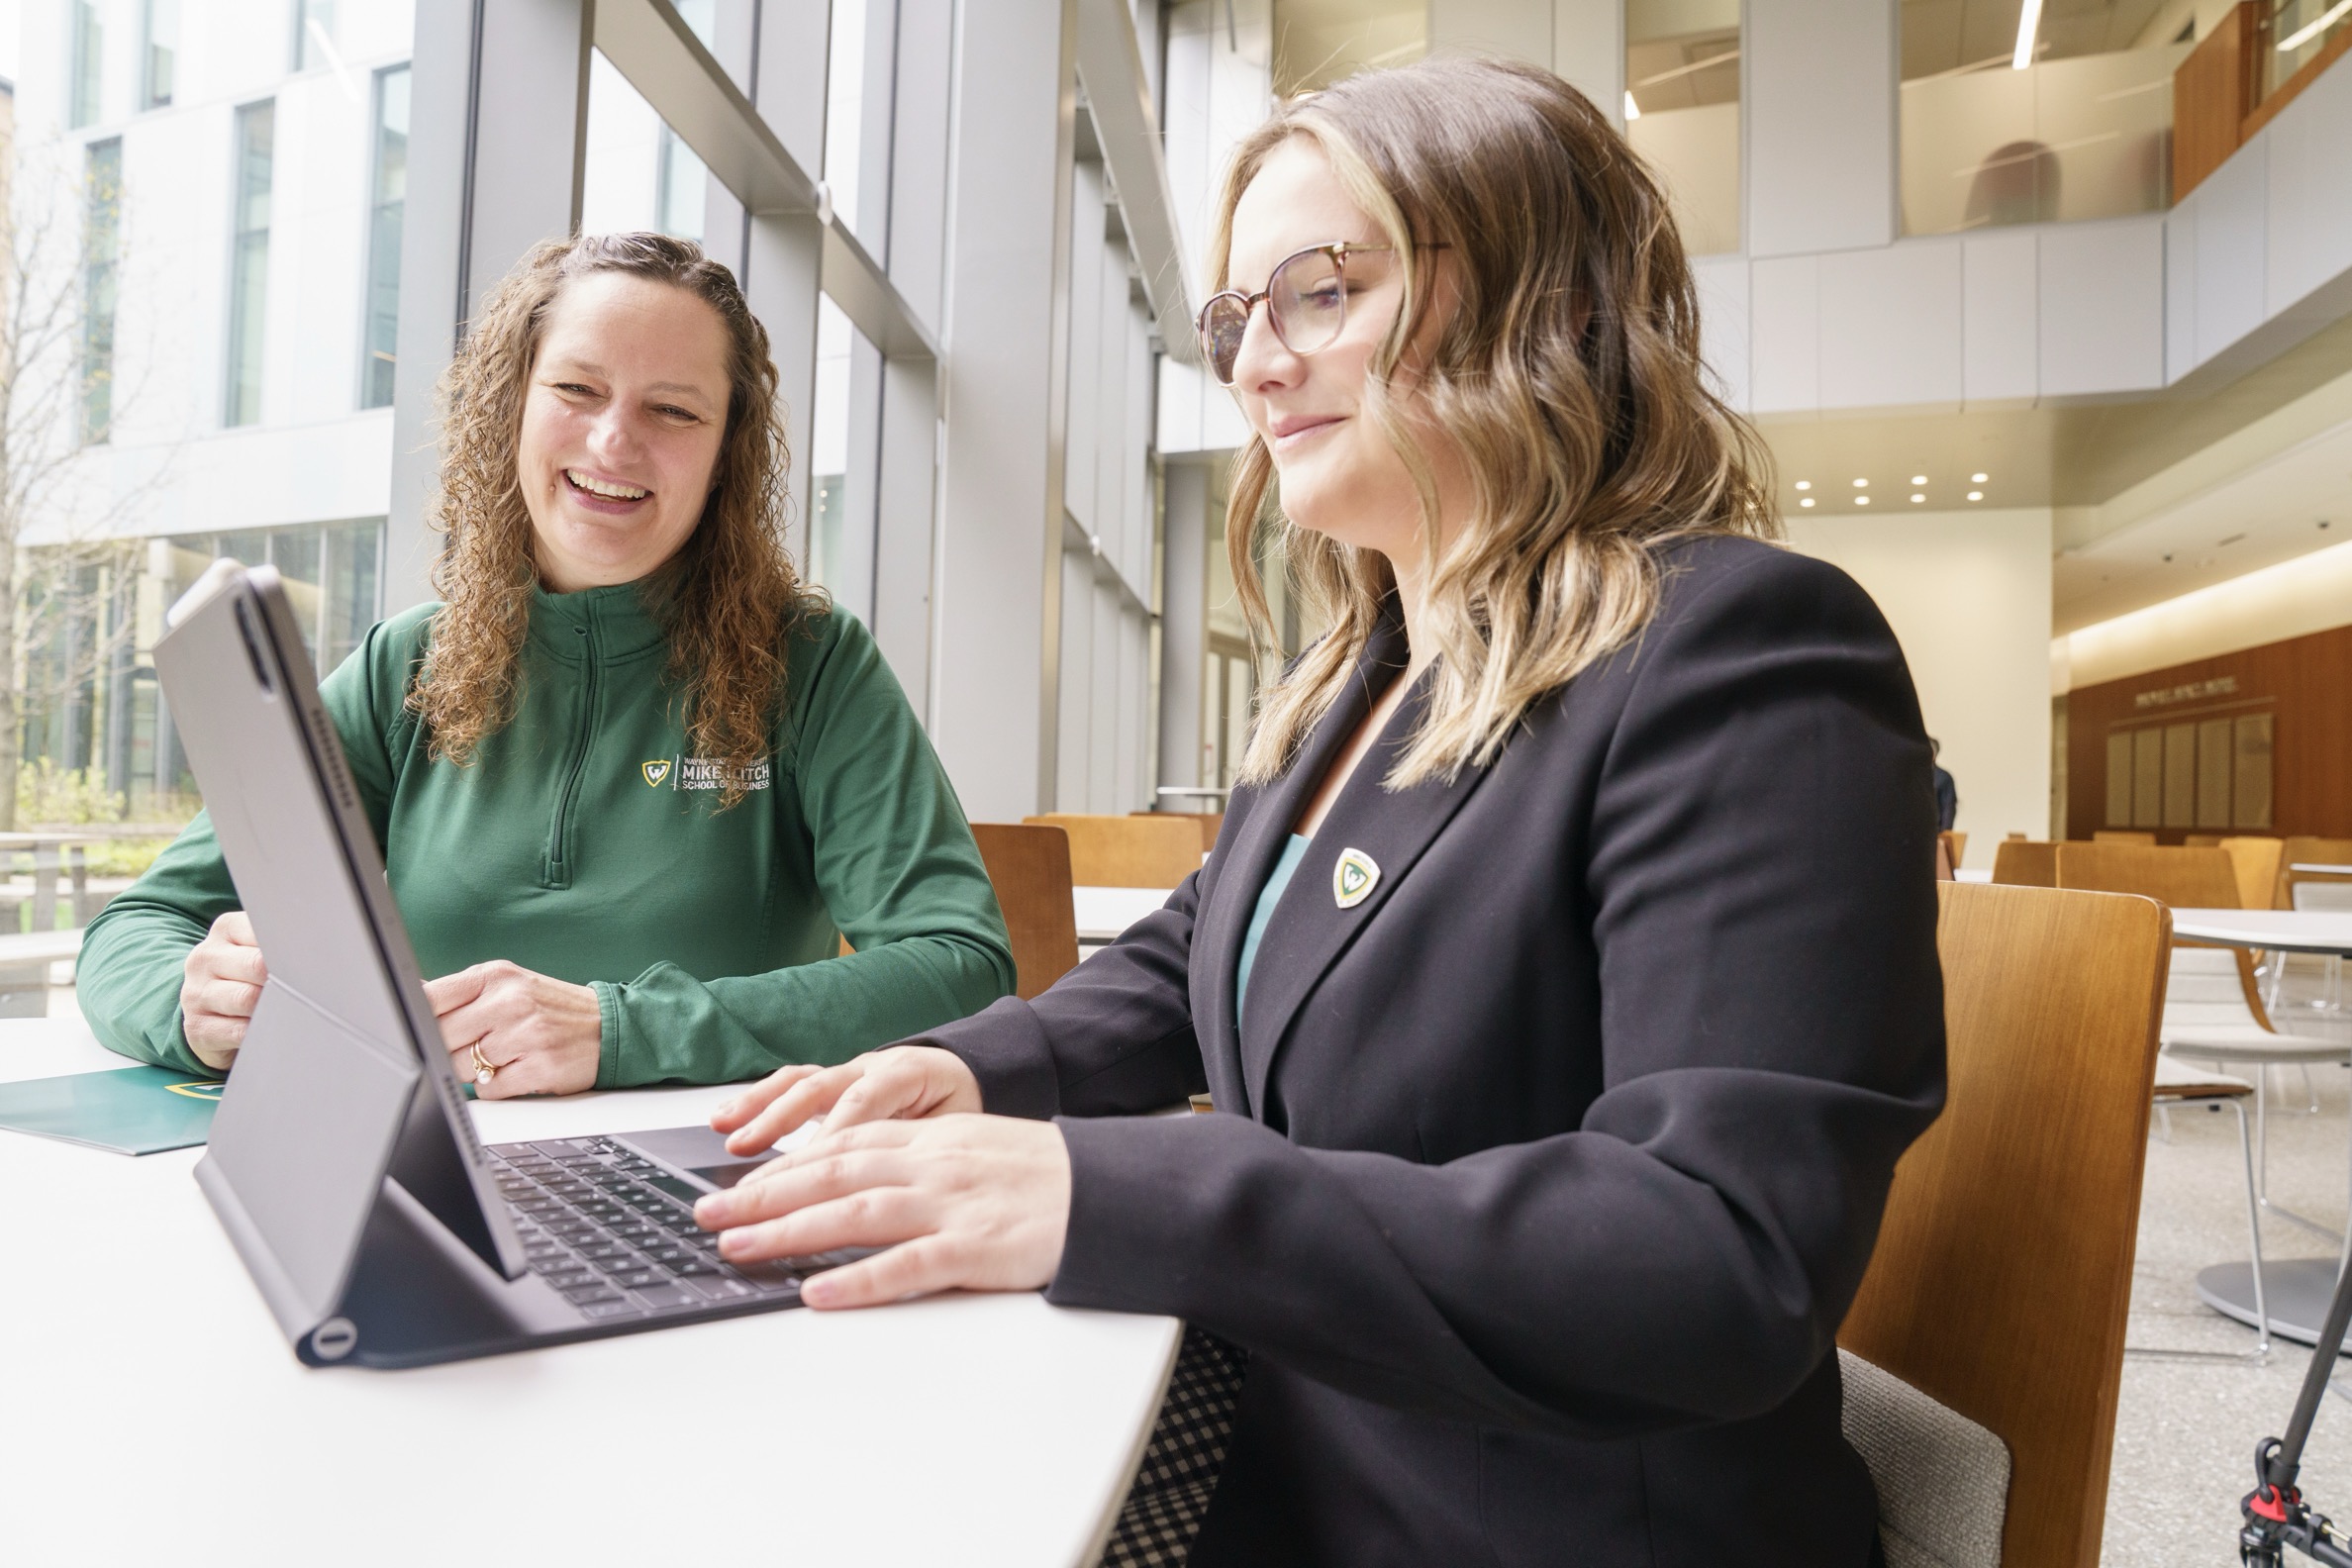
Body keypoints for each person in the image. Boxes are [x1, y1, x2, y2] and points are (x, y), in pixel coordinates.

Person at [695, 60, 1943, 1565]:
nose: (1255, 366)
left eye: (1323, 291)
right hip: (1306, 1457)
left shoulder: (1742, 651)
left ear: (1545, 302)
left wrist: (1130, 1184)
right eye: (1237, 320)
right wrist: (962, 1071)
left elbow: (1717, 1256)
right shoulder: (1367, 673)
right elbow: (1200, 946)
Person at [79, 233, 1013, 1095]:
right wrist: (192, 1006)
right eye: (576, 389)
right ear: (511, 407)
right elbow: (130, 933)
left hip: (702, 1183)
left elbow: (960, 964)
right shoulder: (407, 664)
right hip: (425, 1169)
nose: (614, 441)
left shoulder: (811, 664)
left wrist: (621, 1031)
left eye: (674, 409)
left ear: (726, 455)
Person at [1931, 736, 1959, 832]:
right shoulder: (1912, 775)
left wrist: (1944, 835)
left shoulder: (1943, 778)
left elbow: (1948, 810)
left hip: (1935, 834)